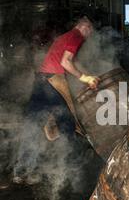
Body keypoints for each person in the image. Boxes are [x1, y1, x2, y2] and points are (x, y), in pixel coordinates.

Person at [13, 16, 99, 185]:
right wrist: (85, 78)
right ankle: (71, 168)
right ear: (83, 26)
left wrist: (86, 75)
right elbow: (65, 62)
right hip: (52, 82)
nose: (90, 34)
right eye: (90, 29)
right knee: (67, 124)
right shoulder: (76, 36)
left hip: (41, 81)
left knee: (33, 125)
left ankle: (20, 172)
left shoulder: (65, 37)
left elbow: (69, 61)